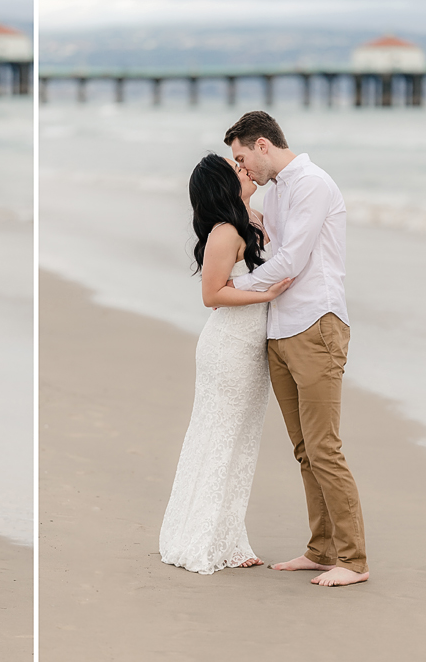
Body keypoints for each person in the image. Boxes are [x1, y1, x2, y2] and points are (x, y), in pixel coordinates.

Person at [225, 110, 368, 588]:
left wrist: (236, 288)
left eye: (243, 158)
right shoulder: (277, 191)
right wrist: (250, 212)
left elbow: (292, 261)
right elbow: (277, 250)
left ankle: (353, 560)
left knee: (325, 448)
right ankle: (321, 548)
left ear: (263, 144)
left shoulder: (311, 183)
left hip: (316, 323)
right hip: (280, 328)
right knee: (304, 450)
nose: (243, 169)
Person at [159, 153, 292, 574]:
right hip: (228, 347)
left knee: (243, 440)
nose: (246, 171)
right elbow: (212, 295)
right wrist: (266, 296)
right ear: (222, 186)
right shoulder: (224, 232)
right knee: (218, 437)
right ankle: (200, 538)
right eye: (236, 169)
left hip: (252, 348)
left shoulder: (255, 220)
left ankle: (231, 539)